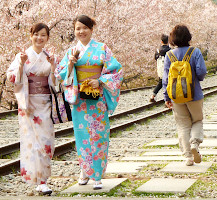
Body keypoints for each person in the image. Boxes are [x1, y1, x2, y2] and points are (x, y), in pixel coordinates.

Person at [55, 15, 123, 190]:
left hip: (97, 98)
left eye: (85, 28)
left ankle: (98, 175)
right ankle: (85, 171)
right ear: (75, 30)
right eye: (78, 28)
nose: (81, 31)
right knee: (82, 135)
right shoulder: (71, 52)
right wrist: (70, 65)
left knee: (99, 135)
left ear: (92, 29)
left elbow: (116, 71)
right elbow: (60, 74)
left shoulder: (102, 48)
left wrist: (100, 81)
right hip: (80, 101)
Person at [7, 23, 57, 194]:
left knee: (46, 141)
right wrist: (21, 65)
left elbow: (57, 83)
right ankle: (40, 181)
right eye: (36, 34)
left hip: (45, 103)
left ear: (47, 38)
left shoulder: (49, 56)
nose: (39, 38)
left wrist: (52, 67)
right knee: (32, 141)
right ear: (31, 36)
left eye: (43, 35)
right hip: (28, 105)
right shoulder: (22, 56)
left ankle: (43, 178)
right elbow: (12, 77)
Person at [162, 25, 207, 166]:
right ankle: (195, 143)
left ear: (173, 38)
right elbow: (201, 73)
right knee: (197, 120)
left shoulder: (169, 55)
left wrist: (166, 97)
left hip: (176, 96)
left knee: (183, 125)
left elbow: (165, 79)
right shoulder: (195, 52)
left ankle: (188, 157)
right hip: (195, 95)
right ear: (189, 36)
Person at [150, 34, 171, 103]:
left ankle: (152, 96)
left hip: (160, 69)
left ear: (161, 41)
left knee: (161, 83)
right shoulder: (170, 50)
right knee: (169, 83)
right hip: (169, 70)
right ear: (168, 41)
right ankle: (168, 100)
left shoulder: (158, 51)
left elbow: (155, 58)